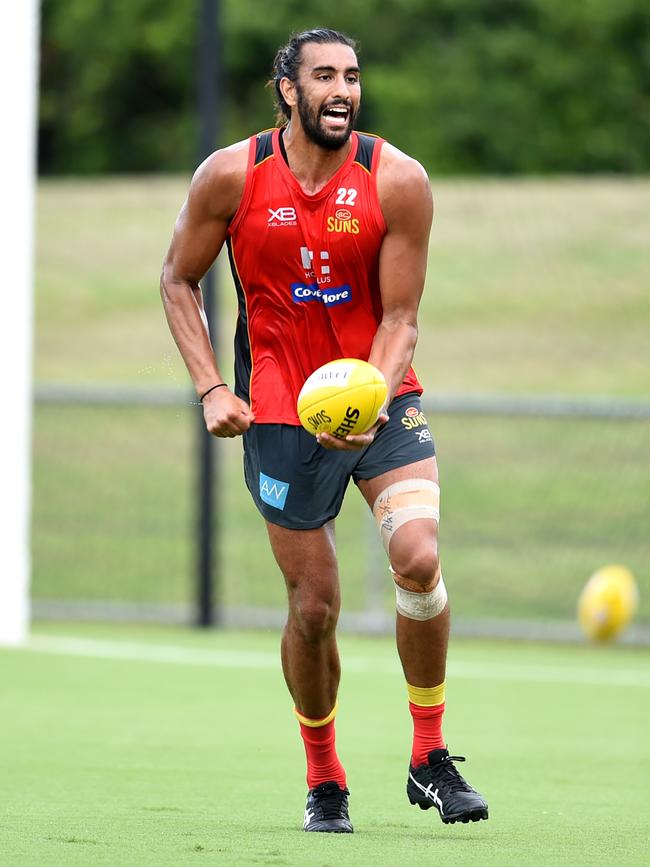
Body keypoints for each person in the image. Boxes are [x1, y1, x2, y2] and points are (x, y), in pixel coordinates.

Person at [161, 28, 488, 833]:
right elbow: (177, 278)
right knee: (314, 608)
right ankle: (324, 777)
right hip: (276, 413)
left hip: (381, 398)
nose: (343, 90)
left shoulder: (398, 179)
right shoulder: (231, 176)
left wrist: (369, 398)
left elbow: (403, 315)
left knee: (418, 557)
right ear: (287, 89)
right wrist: (210, 387)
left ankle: (429, 753)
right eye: (325, 76)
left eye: (353, 76)